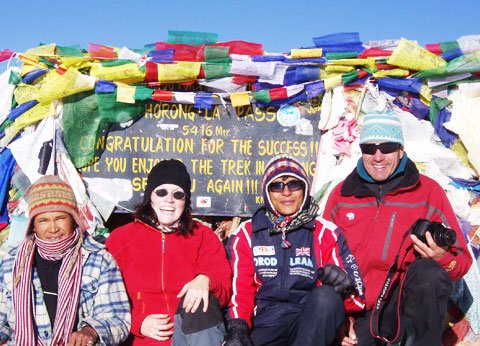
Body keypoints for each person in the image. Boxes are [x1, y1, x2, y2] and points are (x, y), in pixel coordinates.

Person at [323, 110, 473, 345]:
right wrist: (340, 315)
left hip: (407, 306)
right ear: (361, 152)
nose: (378, 156)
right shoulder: (342, 195)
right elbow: (324, 261)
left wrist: (443, 258)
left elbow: (461, 261)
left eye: (388, 147)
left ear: (401, 150)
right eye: (370, 148)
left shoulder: (427, 192)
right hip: (360, 307)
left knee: (428, 274)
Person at [224, 154, 365, 346]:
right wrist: (237, 328)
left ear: (305, 189)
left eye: (294, 184)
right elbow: (240, 290)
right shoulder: (248, 233)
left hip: (310, 323)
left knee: (326, 296)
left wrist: (345, 289)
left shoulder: (325, 233)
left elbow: (358, 300)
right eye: (277, 185)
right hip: (266, 322)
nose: (286, 192)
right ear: (267, 192)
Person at [106, 159, 232, 345]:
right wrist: (137, 322)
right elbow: (106, 299)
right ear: (150, 196)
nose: (169, 200)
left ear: (186, 200)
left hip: (191, 338)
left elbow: (224, 292)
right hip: (141, 340)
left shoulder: (203, 236)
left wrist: (206, 280)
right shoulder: (121, 239)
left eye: (178, 194)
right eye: (161, 192)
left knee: (201, 305)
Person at [0, 175, 131, 345]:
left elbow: (118, 317)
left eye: (61, 218)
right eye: (44, 220)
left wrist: (91, 331)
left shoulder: (98, 261)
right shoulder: (12, 262)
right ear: (33, 224)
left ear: (73, 219)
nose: (53, 228)